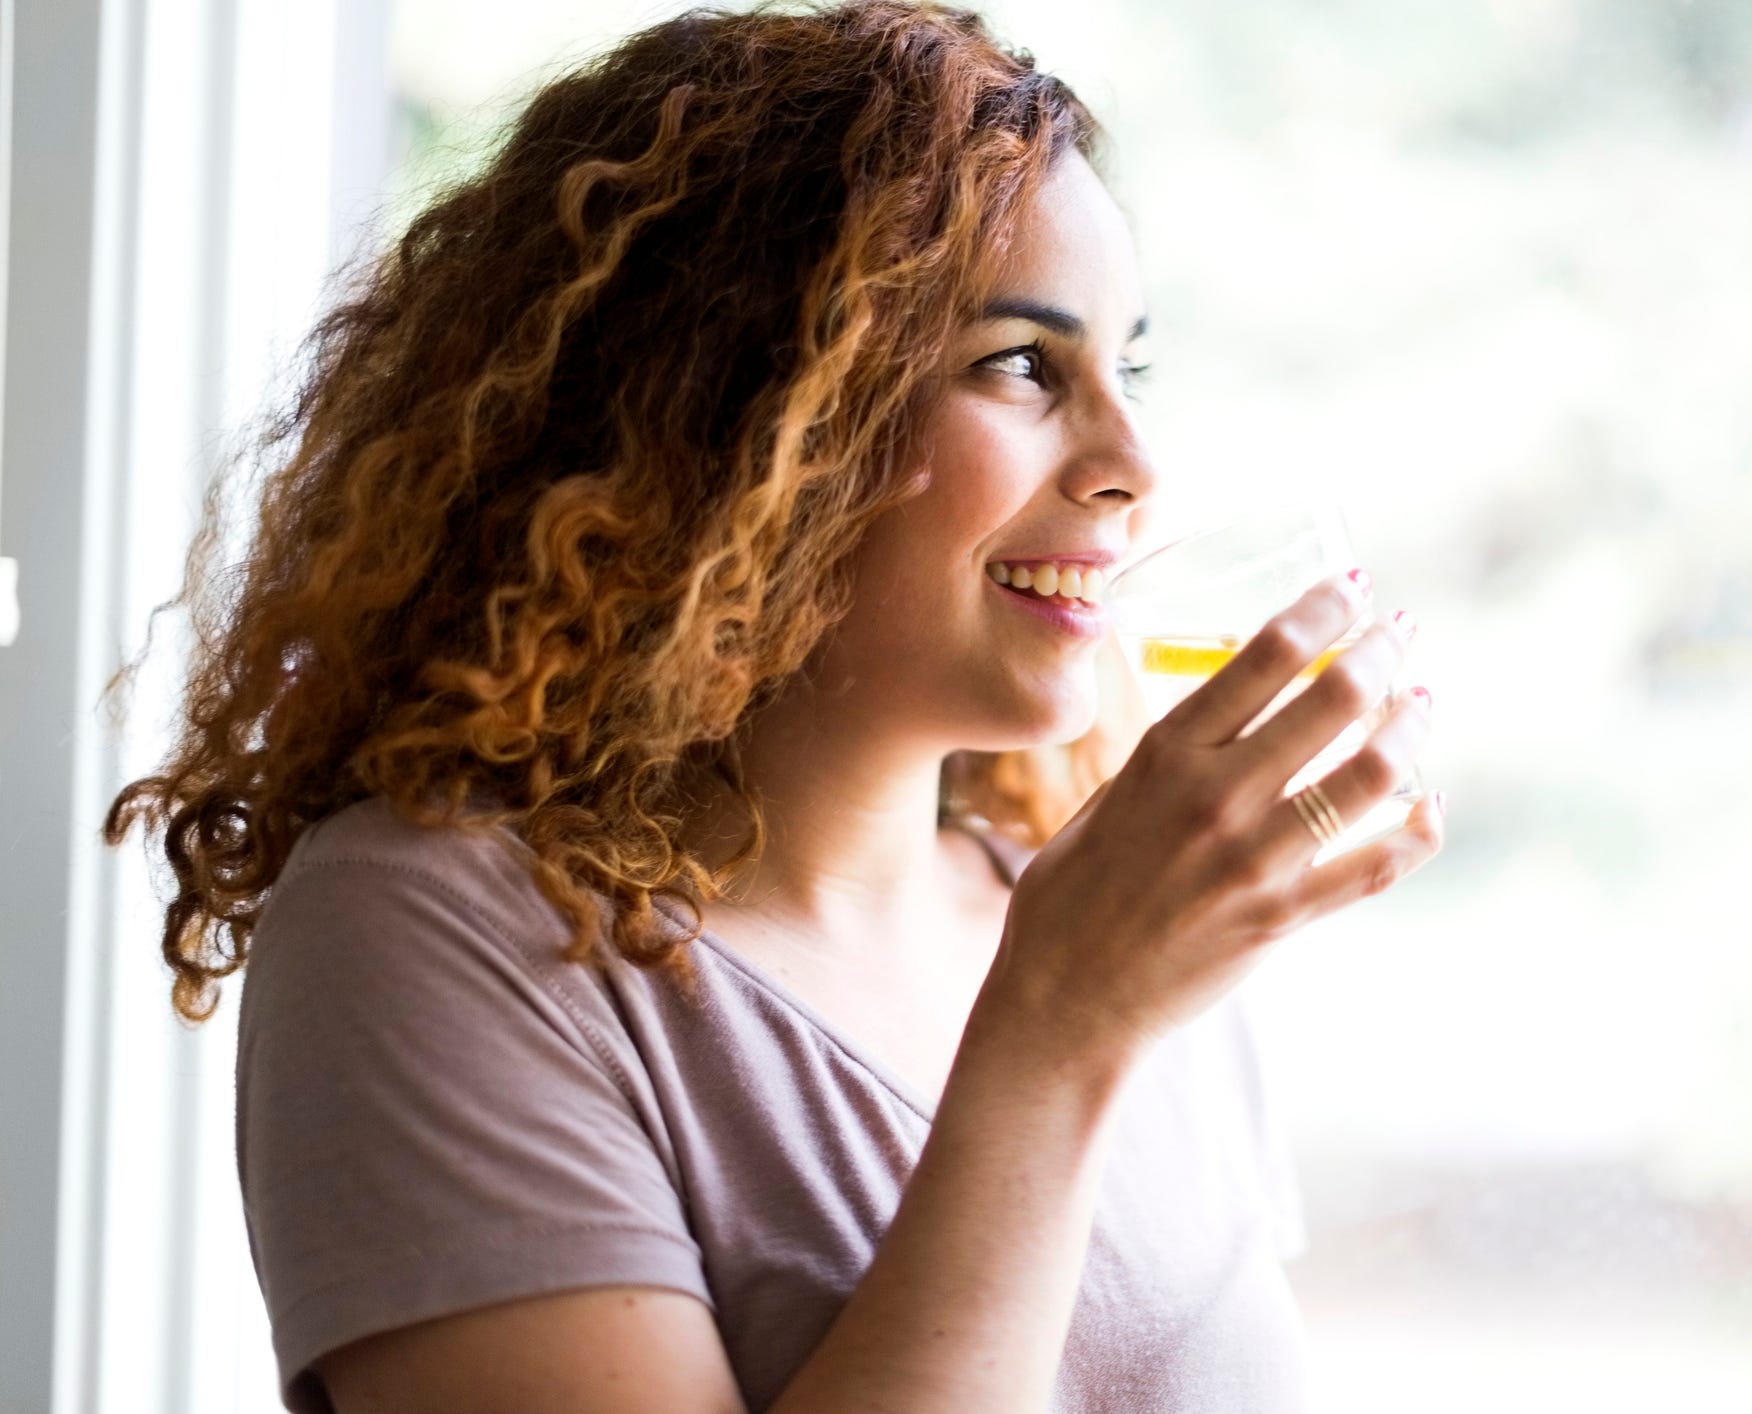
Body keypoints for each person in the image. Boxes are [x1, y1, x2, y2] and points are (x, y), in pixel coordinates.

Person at [103, 2, 1443, 1410]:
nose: (1133, 462)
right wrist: (1055, 1038)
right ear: (743, 425)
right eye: (1019, 365)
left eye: (1132, 368)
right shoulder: (430, 928)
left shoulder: (1100, 908)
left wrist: (1093, 993)